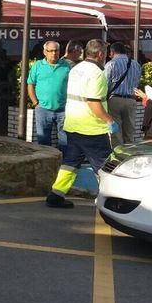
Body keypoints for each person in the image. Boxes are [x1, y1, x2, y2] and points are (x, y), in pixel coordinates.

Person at [46, 39, 117, 208]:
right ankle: (112, 201)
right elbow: (93, 102)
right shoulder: (97, 73)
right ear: (100, 54)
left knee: (70, 163)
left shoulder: (76, 69)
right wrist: (109, 120)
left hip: (73, 125)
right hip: (92, 129)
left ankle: (55, 195)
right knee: (105, 167)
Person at [27, 41, 70, 149]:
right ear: (45, 52)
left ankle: (63, 163)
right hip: (43, 109)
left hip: (63, 110)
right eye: (50, 51)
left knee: (65, 140)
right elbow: (30, 84)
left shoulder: (66, 66)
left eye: (56, 51)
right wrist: (35, 103)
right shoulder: (38, 66)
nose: (54, 53)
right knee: (43, 141)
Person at [103, 42, 141, 145]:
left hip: (114, 99)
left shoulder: (110, 64)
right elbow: (137, 82)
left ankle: (118, 154)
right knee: (129, 131)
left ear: (112, 52)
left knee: (116, 132)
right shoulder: (135, 64)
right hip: (131, 100)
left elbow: (105, 84)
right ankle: (129, 153)